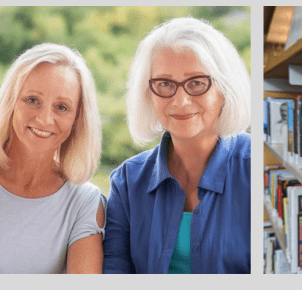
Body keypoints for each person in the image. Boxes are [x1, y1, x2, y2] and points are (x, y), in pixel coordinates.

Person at [103, 17, 251, 274]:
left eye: (196, 83)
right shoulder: (127, 182)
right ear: (148, 95)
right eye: (164, 84)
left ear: (224, 90)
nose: (180, 101)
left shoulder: (256, 167)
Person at [0, 43, 106, 274]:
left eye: (61, 107)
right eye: (32, 100)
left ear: (76, 119)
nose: (44, 119)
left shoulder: (84, 203)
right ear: (11, 102)